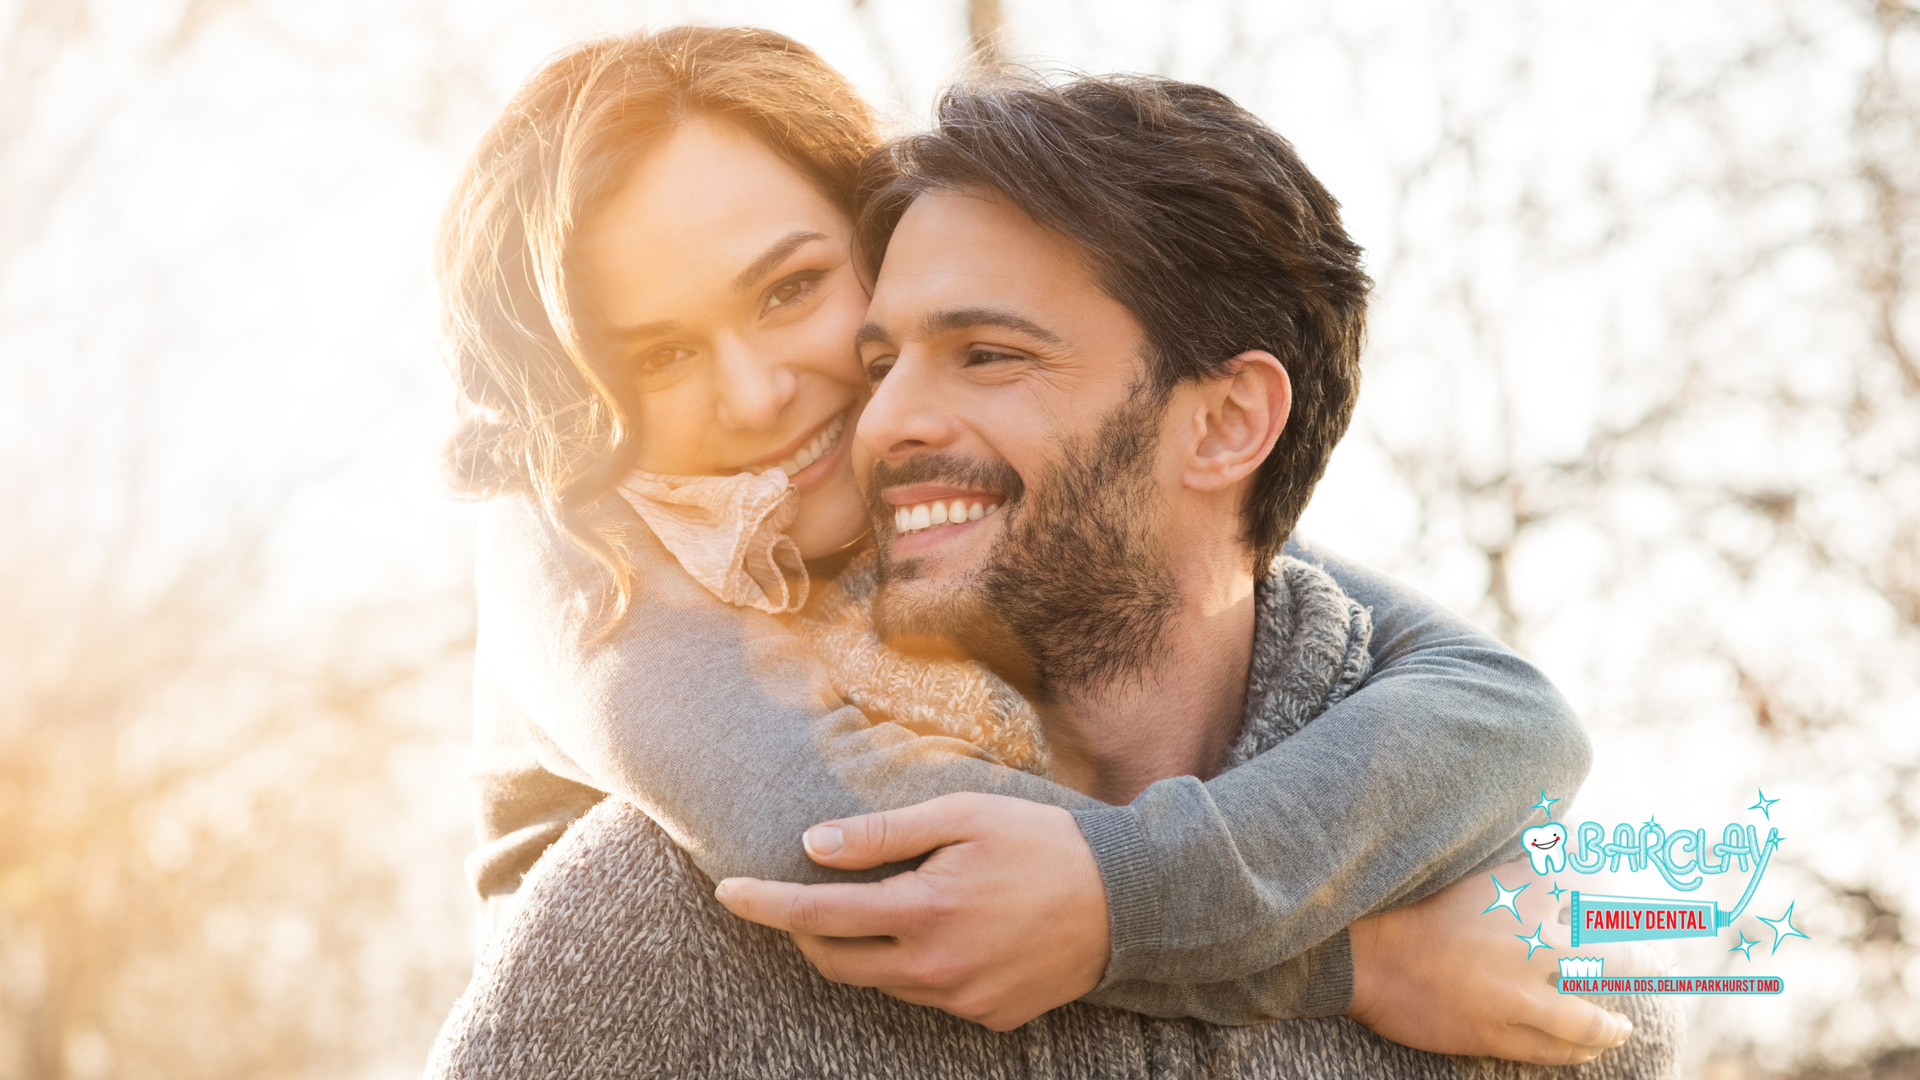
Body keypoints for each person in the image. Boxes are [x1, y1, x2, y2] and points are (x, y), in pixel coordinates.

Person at [428, 26, 1666, 1072]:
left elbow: (1506, 712)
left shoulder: (1000, 494)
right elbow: (843, 847)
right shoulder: (582, 551)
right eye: (658, 354)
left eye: (792, 289)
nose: (758, 393)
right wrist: (1356, 961)